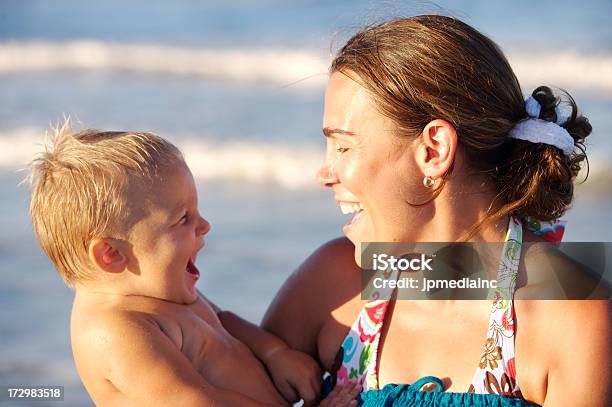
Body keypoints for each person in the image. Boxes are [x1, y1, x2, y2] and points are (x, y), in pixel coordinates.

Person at [262, 15, 611, 406]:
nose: (324, 174)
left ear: (434, 151)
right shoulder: (332, 282)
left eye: (343, 146)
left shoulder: (572, 313)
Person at [27, 124, 358, 406]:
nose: (204, 226)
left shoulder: (161, 293)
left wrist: (274, 354)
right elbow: (197, 402)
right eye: (184, 218)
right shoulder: (114, 330)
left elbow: (223, 321)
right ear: (111, 255)